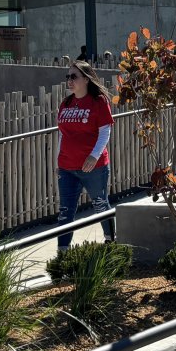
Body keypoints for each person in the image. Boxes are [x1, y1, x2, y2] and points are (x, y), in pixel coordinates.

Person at [56, 59, 115, 249]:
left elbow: (105, 131)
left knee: (100, 205)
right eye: (68, 76)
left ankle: (110, 242)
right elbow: (62, 134)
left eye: (74, 76)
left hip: (94, 167)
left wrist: (94, 155)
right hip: (67, 167)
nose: (70, 80)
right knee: (66, 211)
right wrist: (57, 160)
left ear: (86, 79)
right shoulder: (66, 103)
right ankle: (62, 255)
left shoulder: (98, 102)